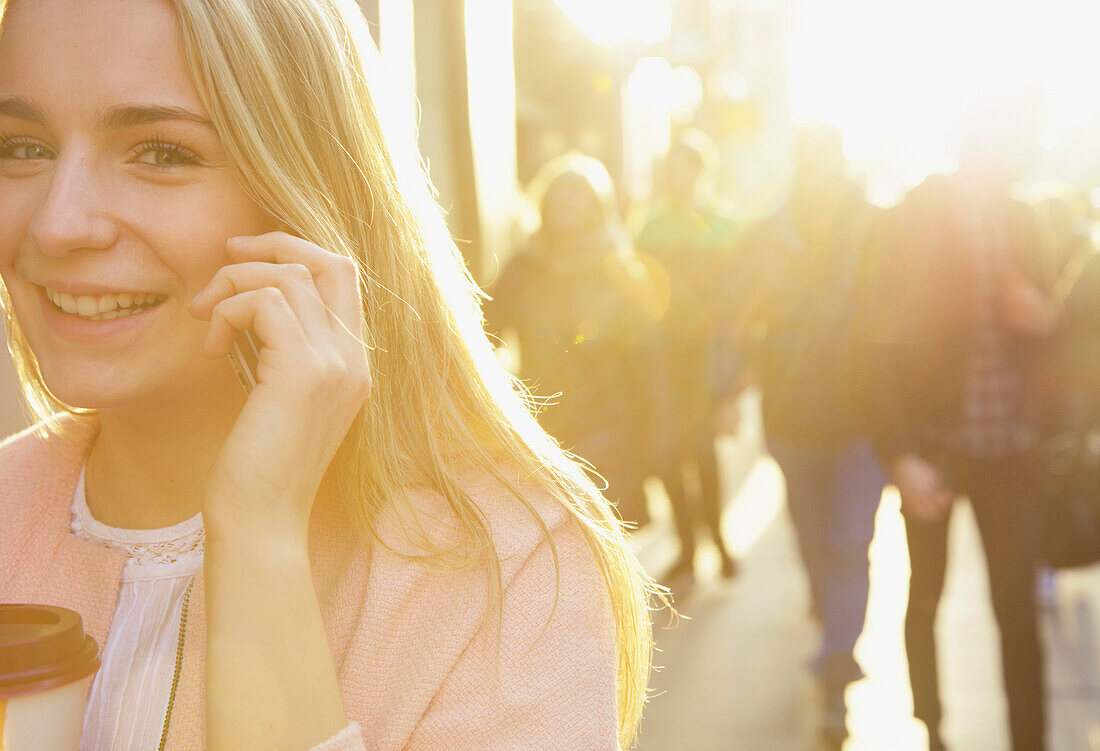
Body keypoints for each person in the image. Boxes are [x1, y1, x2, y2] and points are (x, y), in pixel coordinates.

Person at [0, 1, 655, 749]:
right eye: (22, 146)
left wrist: (260, 538)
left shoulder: (510, 577)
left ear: (305, 188)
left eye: (161, 152)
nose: (58, 223)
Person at [866, 100, 1056, 751]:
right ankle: (932, 727)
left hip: (1010, 446)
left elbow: (1057, 335)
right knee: (926, 595)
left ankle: (1029, 739)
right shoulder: (913, 218)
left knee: (1017, 609)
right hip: (935, 447)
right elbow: (868, 344)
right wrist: (899, 453)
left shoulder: (1026, 219)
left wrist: (1043, 320)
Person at [736, 124, 886, 748]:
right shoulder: (769, 234)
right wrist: (726, 388)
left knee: (850, 541)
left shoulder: (877, 230)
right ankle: (831, 618)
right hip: (793, 414)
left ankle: (836, 664)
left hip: (863, 417)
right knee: (809, 532)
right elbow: (736, 311)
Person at [485, 154, 658, 530]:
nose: (567, 205)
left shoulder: (620, 267)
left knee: (605, 538)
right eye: (559, 195)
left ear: (599, 207)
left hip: (612, 424)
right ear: (543, 203)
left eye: (579, 197)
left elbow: (647, 355)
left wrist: (654, 433)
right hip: (543, 424)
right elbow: (484, 336)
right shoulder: (522, 266)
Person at [636, 130, 740, 589]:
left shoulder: (725, 226)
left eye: (687, 167)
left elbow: (741, 301)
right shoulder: (649, 227)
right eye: (672, 167)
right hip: (662, 360)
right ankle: (687, 545)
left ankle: (716, 538)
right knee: (670, 455)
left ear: (702, 172)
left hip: (707, 358)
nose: (679, 176)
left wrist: (736, 369)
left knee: (703, 453)